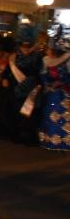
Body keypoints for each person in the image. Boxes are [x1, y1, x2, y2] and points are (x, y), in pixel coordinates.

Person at [0, 27, 43, 145]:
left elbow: (41, 72)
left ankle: (29, 136)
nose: (25, 49)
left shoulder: (38, 56)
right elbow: (8, 71)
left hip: (32, 89)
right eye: (23, 46)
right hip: (16, 89)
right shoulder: (14, 57)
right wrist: (5, 78)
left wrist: (36, 83)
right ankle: (16, 135)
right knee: (15, 112)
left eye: (28, 46)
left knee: (30, 114)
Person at [38, 23, 70, 151]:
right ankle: (51, 139)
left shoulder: (67, 60)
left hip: (65, 92)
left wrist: (62, 82)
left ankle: (65, 141)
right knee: (50, 115)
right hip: (51, 93)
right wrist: (48, 82)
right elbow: (43, 75)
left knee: (64, 116)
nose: (47, 51)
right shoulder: (46, 60)